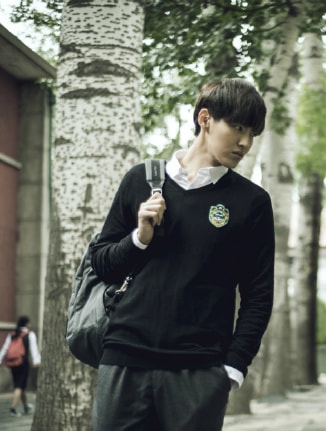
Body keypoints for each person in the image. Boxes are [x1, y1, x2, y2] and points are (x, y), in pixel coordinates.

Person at [90, 78, 275, 431]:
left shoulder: (252, 203)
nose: (246, 142)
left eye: (252, 133)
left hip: (199, 372)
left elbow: (259, 294)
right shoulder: (140, 180)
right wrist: (139, 238)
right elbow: (102, 266)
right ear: (205, 119)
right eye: (238, 127)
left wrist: (233, 366)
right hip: (125, 360)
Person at [0, 315, 41, 416]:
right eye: (29, 323)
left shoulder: (12, 334)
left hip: (13, 364)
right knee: (19, 386)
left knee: (21, 386)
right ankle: (12, 409)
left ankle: (26, 406)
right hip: (23, 363)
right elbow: (34, 349)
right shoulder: (30, 335)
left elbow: (5, 348)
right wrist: (36, 361)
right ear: (26, 324)